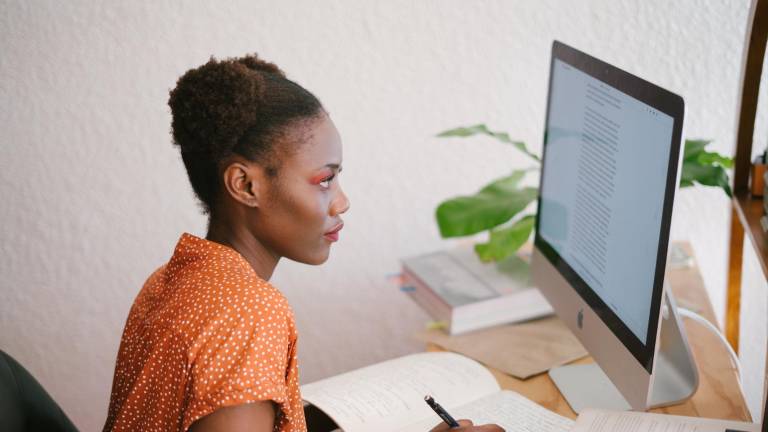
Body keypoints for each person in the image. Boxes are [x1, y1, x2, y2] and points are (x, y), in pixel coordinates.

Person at [103, 54, 504, 432]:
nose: (342, 201)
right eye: (324, 180)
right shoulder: (248, 314)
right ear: (245, 185)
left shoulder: (171, 279)